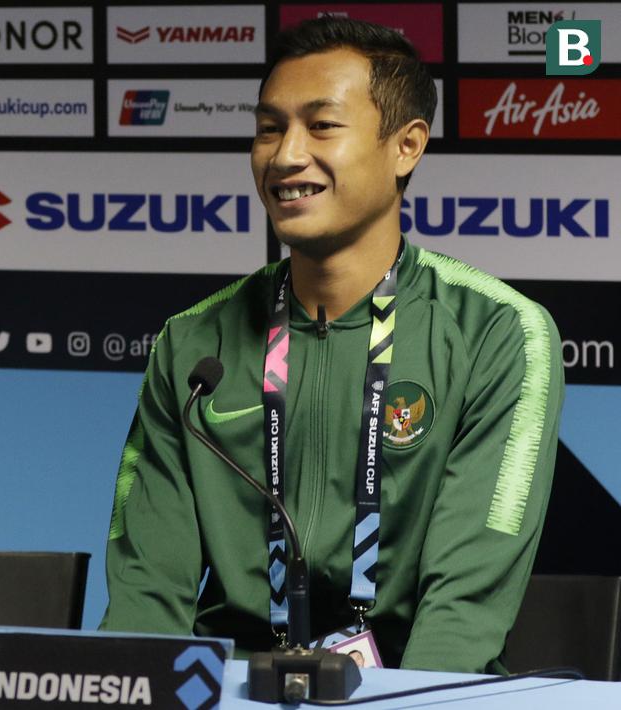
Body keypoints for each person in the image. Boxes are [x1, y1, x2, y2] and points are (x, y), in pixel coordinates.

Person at [100, 18, 563, 673]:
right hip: (230, 689)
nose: (286, 155)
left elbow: (461, 615)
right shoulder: (193, 342)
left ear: (405, 147)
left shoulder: (497, 333)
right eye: (269, 128)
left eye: (321, 126)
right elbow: (146, 595)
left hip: (408, 691)